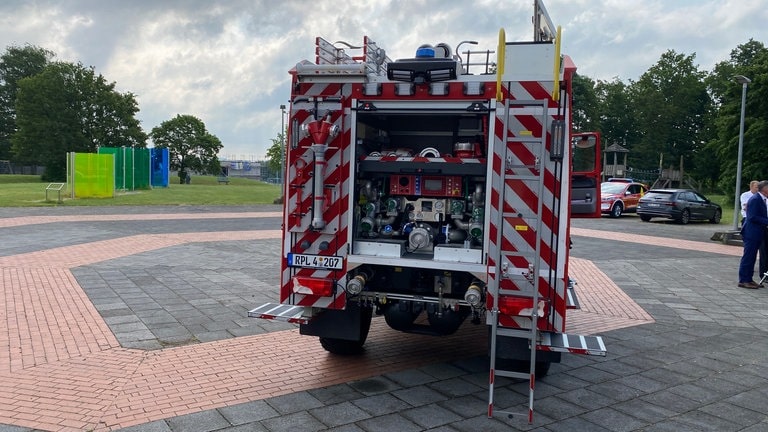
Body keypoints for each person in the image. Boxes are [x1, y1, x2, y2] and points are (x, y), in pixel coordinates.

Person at [738, 180, 768, 289]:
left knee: (752, 257)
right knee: (748, 256)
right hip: (751, 232)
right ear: (765, 189)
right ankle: (743, 280)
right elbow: (752, 217)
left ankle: (749, 279)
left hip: (757, 232)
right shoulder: (756, 199)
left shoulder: (761, 199)